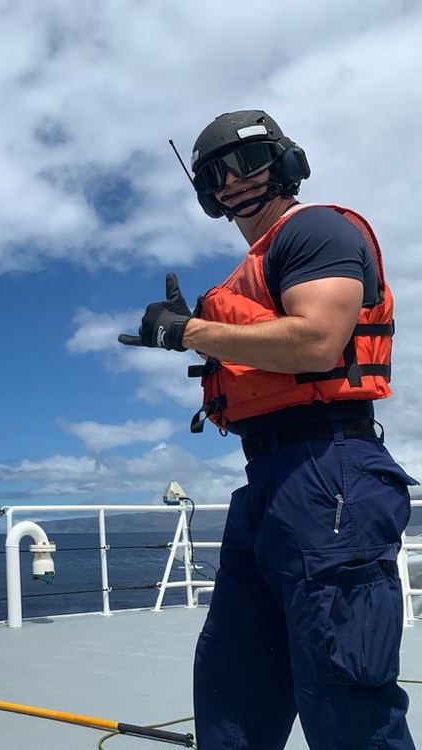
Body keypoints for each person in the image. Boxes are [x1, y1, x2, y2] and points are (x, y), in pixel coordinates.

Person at [119, 110, 417, 749]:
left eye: (247, 163)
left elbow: (317, 341)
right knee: (235, 676)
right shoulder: (257, 262)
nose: (232, 183)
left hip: (330, 471)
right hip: (270, 481)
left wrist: (187, 332)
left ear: (283, 163)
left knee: (345, 693)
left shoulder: (316, 231)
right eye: (215, 174)